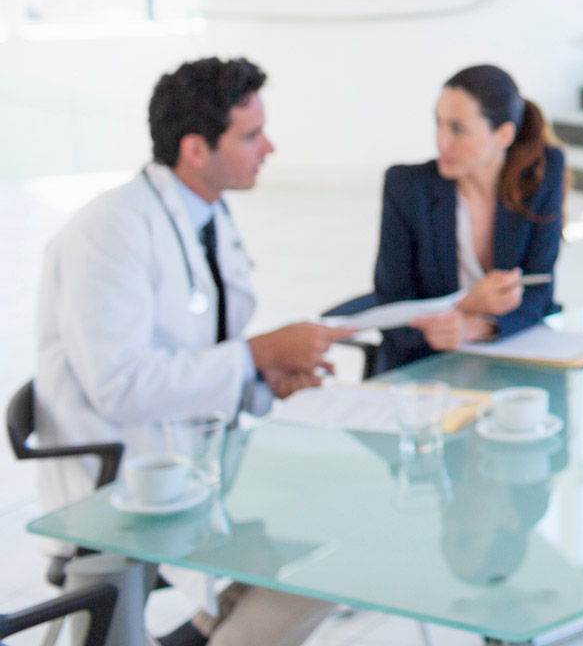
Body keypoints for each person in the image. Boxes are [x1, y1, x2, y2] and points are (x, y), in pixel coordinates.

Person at [35, 57, 348, 646]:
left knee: (343, 517)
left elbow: (200, 350)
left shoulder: (206, 216)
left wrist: (264, 377)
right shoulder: (113, 230)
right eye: (251, 135)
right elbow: (120, 385)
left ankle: (213, 625)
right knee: (332, 557)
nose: (269, 147)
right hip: (120, 483)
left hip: (191, 458)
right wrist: (254, 355)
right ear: (195, 149)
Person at [372, 64, 565, 373]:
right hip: (425, 368)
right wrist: (463, 307)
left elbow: (540, 292)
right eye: (438, 124)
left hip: (511, 358)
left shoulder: (543, 175)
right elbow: (392, 309)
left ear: (503, 135)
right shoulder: (407, 189)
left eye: (458, 129)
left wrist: (478, 327)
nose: (441, 142)